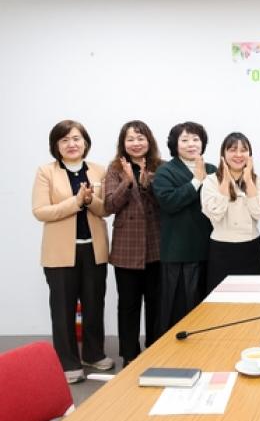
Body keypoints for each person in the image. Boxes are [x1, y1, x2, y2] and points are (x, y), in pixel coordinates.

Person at [32, 120, 113, 384]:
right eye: (64, 140)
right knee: (63, 309)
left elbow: (106, 209)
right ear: (56, 145)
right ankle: (68, 362)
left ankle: (93, 353)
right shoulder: (46, 172)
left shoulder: (99, 170)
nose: (71, 144)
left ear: (85, 142)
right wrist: (76, 202)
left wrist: (90, 200)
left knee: (94, 305)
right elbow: (40, 211)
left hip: (94, 250)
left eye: (76, 138)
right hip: (60, 253)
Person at [104, 120, 163, 367]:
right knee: (128, 304)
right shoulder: (114, 168)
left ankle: (155, 349)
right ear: (123, 143)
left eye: (140, 138)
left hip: (156, 245)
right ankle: (129, 354)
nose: (136, 143)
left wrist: (148, 184)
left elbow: (166, 204)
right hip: (126, 247)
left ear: (149, 141)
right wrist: (128, 181)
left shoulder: (161, 167)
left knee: (155, 303)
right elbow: (109, 205)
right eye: (130, 139)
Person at [152, 121, 216, 335]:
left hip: (209, 250)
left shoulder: (212, 169)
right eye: (185, 140)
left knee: (206, 309)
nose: (191, 144)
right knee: (178, 310)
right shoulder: (165, 171)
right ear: (175, 144)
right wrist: (196, 182)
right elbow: (169, 202)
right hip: (178, 253)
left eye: (196, 139)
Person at [201, 132, 260, 291]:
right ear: (223, 154)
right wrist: (225, 181)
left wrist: (248, 181)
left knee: (252, 298)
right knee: (221, 300)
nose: (238, 154)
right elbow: (215, 213)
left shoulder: (257, 181)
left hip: (251, 248)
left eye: (243, 150)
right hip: (221, 249)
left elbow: (259, 212)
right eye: (232, 150)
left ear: (249, 155)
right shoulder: (211, 180)